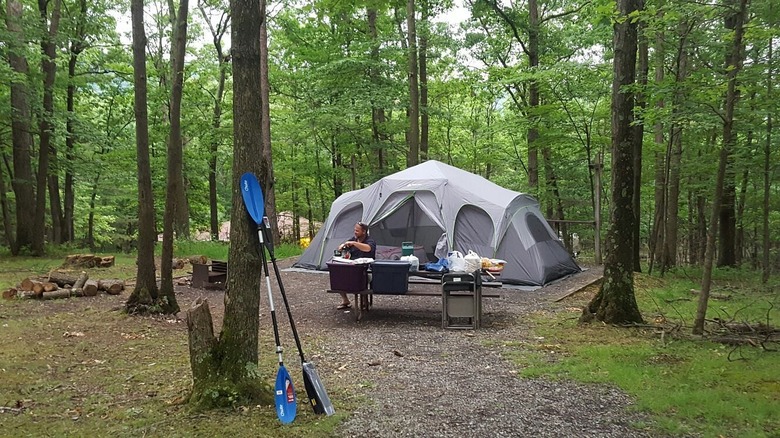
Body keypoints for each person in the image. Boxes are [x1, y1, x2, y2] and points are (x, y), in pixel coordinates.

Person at [335, 221, 376, 309]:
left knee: (361, 277)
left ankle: (365, 300)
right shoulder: (353, 239)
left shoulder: (370, 240)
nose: (355, 232)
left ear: (364, 231)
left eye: (357, 231)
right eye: (354, 230)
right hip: (351, 268)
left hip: (366, 270)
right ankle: (345, 300)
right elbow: (340, 248)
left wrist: (354, 244)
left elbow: (368, 249)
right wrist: (342, 246)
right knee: (337, 275)